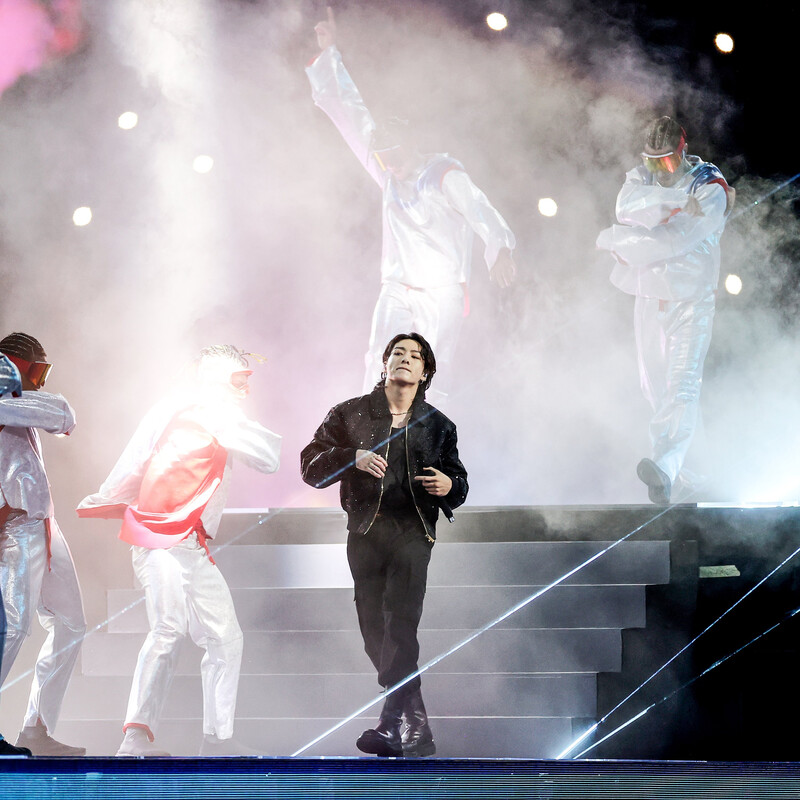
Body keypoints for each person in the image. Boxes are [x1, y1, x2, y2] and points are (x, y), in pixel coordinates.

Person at [77, 345, 281, 757]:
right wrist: (106, 497)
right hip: (157, 537)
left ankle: (217, 739)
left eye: (246, 380)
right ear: (216, 377)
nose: (244, 389)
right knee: (168, 628)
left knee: (226, 636)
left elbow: (267, 457)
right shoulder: (181, 408)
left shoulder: (217, 415)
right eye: (238, 380)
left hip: (190, 542)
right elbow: (137, 456)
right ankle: (134, 737)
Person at [306, 7, 517, 404]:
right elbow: (352, 114)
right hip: (398, 286)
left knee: (429, 366)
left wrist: (500, 247)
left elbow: (480, 210)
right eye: (384, 158)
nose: (391, 165)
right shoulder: (388, 172)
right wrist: (329, 53)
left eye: (396, 156)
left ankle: (418, 442)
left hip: (440, 292)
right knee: (380, 358)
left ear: (412, 147)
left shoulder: (442, 174)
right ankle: (372, 435)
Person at [301, 332, 468, 757]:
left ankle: (392, 724)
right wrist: (351, 457)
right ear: (385, 364)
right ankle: (413, 726)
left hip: (413, 532)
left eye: (415, 356)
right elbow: (309, 465)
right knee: (372, 629)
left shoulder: (438, 425)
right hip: (365, 532)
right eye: (398, 353)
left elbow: (459, 482)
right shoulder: (349, 413)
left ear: (425, 371)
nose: (406, 360)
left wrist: (448, 484)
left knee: (400, 624)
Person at [596, 116, 735, 504]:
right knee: (654, 389)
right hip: (648, 298)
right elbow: (626, 207)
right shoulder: (646, 178)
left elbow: (670, 242)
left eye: (668, 164)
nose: (660, 172)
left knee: (682, 387)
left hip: (691, 303)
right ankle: (695, 472)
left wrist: (617, 242)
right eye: (653, 163)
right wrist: (672, 202)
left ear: (684, 153)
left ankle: (666, 467)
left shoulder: (710, 187)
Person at [0, 333, 87, 757]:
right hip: (12, 528)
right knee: (11, 627)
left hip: (43, 524)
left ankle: (36, 728)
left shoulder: (17, 406)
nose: (39, 380)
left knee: (70, 624)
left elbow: (63, 414)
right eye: (37, 370)